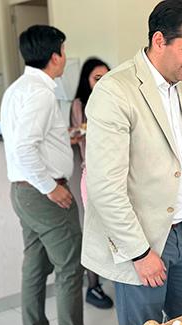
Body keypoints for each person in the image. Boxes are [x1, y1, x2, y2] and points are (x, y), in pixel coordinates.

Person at [82, 0, 182, 325]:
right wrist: (140, 253)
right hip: (143, 240)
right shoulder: (114, 91)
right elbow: (104, 187)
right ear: (159, 41)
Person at [0, 24, 90, 325]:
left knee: (35, 265)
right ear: (55, 56)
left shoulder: (16, 89)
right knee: (69, 267)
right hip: (42, 193)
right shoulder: (41, 92)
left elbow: (27, 142)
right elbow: (25, 147)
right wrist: (51, 187)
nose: (65, 57)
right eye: (63, 51)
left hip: (23, 192)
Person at [69, 57, 114, 309]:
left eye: (106, 76)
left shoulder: (112, 100)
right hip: (92, 172)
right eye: (97, 77)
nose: (103, 81)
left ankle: (118, 280)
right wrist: (79, 133)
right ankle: (93, 286)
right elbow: (76, 133)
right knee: (95, 229)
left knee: (117, 228)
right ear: (87, 80)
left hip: (115, 173)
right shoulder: (79, 104)